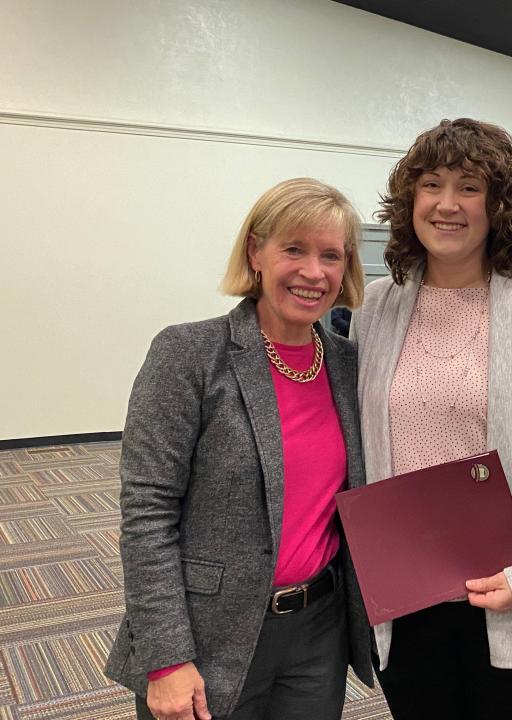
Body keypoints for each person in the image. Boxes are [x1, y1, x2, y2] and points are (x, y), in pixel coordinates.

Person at [351, 118, 512, 719]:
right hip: (407, 589)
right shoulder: (377, 306)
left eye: (468, 186)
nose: (446, 204)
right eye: (431, 184)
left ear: (499, 203)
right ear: (409, 200)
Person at [104, 178, 374, 720]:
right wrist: (165, 659)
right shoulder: (190, 354)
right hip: (208, 634)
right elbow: (147, 514)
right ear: (255, 251)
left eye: (331, 255)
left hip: (318, 634)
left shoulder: (348, 365)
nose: (313, 272)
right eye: (293, 249)